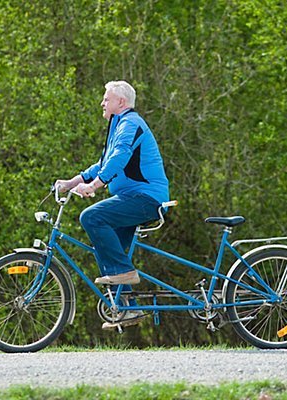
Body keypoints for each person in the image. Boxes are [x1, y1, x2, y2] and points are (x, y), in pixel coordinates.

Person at [55, 81, 169, 330]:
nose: (102, 103)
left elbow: (119, 157)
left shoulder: (131, 124)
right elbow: (103, 163)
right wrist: (71, 182)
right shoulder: (119, 126)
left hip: (146, 199)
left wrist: (94, 186)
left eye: (106, 99)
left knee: (92, 217)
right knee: (106, 247)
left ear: (121, 102)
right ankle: (127, 307)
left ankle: (123, 275)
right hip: (131, 199)